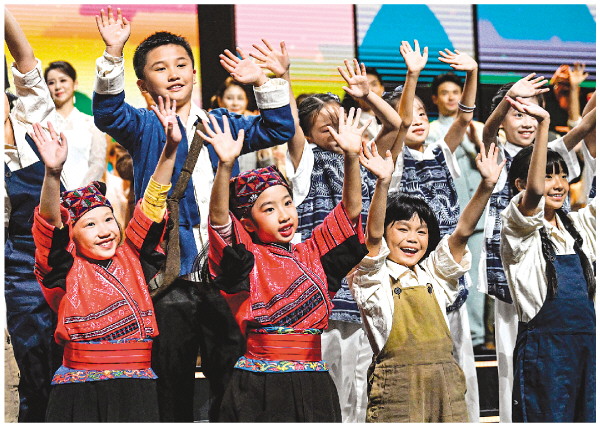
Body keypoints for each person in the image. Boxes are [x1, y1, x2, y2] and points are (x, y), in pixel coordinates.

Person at [91, 7, 295, 421]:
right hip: (170, 275)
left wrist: (263, 81)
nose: (173, 73)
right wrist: (113, 53)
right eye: (160, 68)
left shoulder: (221, 122)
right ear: (143, 83)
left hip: (224, 271)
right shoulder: (143, 125)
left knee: (232, 381)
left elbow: (279, 130)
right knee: (171, 383)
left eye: (181, 64)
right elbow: (107, 113)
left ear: (195, 72)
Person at [257, 38, 403, 421]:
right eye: (327, 127)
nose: (338, 132)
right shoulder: (308, 160)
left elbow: (395, 124)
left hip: (365, 280)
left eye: (342, 123)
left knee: (362, 384)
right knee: (332, 384)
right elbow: (290, 125)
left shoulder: (363, 155)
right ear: (309, 135)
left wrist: (367, 96)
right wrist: (284, 75)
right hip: (324, 281)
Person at [203, 106, 368, 421]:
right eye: (269, 209)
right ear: (248, 224)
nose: (283, 215)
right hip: (259, 384)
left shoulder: (312, 253)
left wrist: (351, 157)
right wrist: (224, 167)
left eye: (288, 203)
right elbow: (220, 221)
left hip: (314, 380)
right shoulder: (247, 258)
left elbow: (349, 213)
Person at [30, 94, 181, 422]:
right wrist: (52, 173)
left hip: (138, 387)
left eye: (109, 220)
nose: (104, 231)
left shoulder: (132, 254)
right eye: (90, 224)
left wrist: (169, 149)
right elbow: (50, 228)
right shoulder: (64, 268)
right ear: (72, 235)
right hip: (82, 390)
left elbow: (153, 202)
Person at [350, 137, 505, 422]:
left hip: (447, 387)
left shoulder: (434, 273)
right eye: (403, 229)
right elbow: (373, 236)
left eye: (421, 232)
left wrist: (486, 186)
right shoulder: (375, 278)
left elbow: (462, 233)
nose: (413, 238)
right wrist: (383, 183)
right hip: (398, 389)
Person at [479, 74, 595, 422]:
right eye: (519, 113)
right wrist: (516, 104)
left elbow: (585, 126)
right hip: (514, 278)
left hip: (578, 333)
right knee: (514, 377)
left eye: (562, 176)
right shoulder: (501, 158)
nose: (557, 184)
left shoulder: (576, 222)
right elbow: (489, 134)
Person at [386, 43, 481, 421]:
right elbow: (399, 125)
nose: (418, 120)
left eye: (423, 113)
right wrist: (412, 76)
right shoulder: (392, 156)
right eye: (411, 115)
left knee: (460, 356)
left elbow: (464, 118)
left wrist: (472, 73)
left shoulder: (440, 150)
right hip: (412, 264)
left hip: (445, 263)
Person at [4, 8, 64, 421]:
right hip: (12, 271)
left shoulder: (34, 125)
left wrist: (3, 13)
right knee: (25, 369)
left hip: (53, 261)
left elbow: (25, 64)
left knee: (60, 362)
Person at [426, 71, 488, 352]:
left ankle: (479, 336)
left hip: (479, 216)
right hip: (447, 218)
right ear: (435, 98)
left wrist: (477, 141)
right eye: (445, 93)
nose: (451, 97)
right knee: (451, 279)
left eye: (455, 92)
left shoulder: (479, 127)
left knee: (478, 280)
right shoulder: (430, 130)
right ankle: (453, 338)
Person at [44, 60, 107, 188]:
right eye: (51, 82)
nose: (57, 86)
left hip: (83, 195)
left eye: (63, 80)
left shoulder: (91, 124)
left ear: (75, 84)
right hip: (49, 195)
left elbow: (98, 163)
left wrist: (78, 194)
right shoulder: (42, 125)